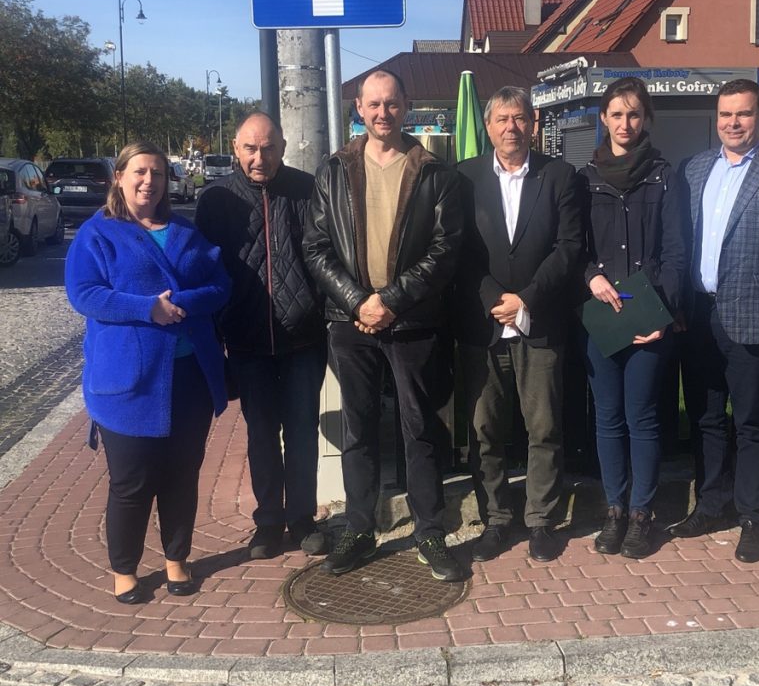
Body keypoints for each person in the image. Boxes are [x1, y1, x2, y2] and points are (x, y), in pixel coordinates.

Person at [303, 70, 465, 582]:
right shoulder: (333, 170)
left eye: (391, 103)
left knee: (420, 428)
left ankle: (429, 532)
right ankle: (359, 528)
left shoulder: (434, 172)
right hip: (350, 321)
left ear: (406, 105)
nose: (382, 113)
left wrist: (391, 300)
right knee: (359, 428)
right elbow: (316, 247)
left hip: (412, 319)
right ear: (358, 107)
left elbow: (446, 249)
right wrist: (358, 302)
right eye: (373, 104)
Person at [65, 141, 231, 604]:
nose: (149, 181)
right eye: (139, 171)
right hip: (127, 383)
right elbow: (84, 294)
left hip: (189, 378)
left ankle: (177, 559)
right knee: (132, 481)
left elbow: (221, 285)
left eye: (157, 173)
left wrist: (182, 303)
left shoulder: (184, 230)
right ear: (119, 177)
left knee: (182, 474)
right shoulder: (97, 234)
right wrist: (146, 309)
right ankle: (125, 569)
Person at [674, 79, 759, 562]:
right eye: (725, 114)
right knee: (706, 418)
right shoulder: (694, 169)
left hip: (754, 315)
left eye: (744, 114)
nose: (733, 123)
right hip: (698, 313)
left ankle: (753, 516)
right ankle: (711, 504)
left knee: (752, 421)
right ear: (716, 118)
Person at [454, 86, 583, 564]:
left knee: (543, 427)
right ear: (488, 127)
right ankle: (496, 519)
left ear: (533, 124)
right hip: (483, 324)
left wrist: (525, 298)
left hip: (540, 320)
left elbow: (569, 247)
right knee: (484, 429)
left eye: (520, 118)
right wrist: (495, 298)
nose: (511, 127)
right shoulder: (464, 177)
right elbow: (457, 248)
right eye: (502, 119)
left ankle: (541, 520)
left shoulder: (560, 175)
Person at [195, 112, 328, 560]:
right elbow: (204, 270)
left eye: (268, 148)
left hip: (303, 338)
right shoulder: (216, 199)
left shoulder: (308, 189)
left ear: (282, 148)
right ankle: (269, 521)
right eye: (250, 148)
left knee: (303, 431)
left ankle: (303, 518)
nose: (259, 157)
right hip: (247, 339)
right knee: (262, 434)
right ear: (236, 149)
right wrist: (218, 332)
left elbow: (324, 256)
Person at [578, 77, 687, 558]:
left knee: (641, 417)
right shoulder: (584, 179)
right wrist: (590, 277)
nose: (625, 123)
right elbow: (573, 246)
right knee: (607, 417)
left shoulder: (665, 177)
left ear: (646, 120)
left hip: (648, 316)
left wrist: (662, 314)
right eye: (617, 114)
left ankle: (642, 514)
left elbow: (677, 252)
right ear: (604, 118)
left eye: (634, 114)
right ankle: (614, 510)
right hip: (602, 316)